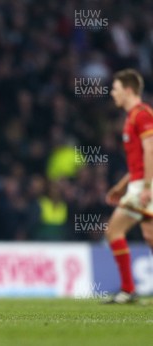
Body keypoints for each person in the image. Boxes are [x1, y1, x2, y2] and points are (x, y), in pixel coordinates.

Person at [104, 69, 153, 304]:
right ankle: (128, 290)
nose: (112, 93)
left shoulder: (142, 114)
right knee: (150, 236)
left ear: (128, 90)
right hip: (138, 184)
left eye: (115, 89)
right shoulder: (132, 117)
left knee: (114, 230)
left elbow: (151, 150)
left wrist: (147, 187)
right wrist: (120, 186)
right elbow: (137, 162)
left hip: (145, 186)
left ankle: (127, 289)